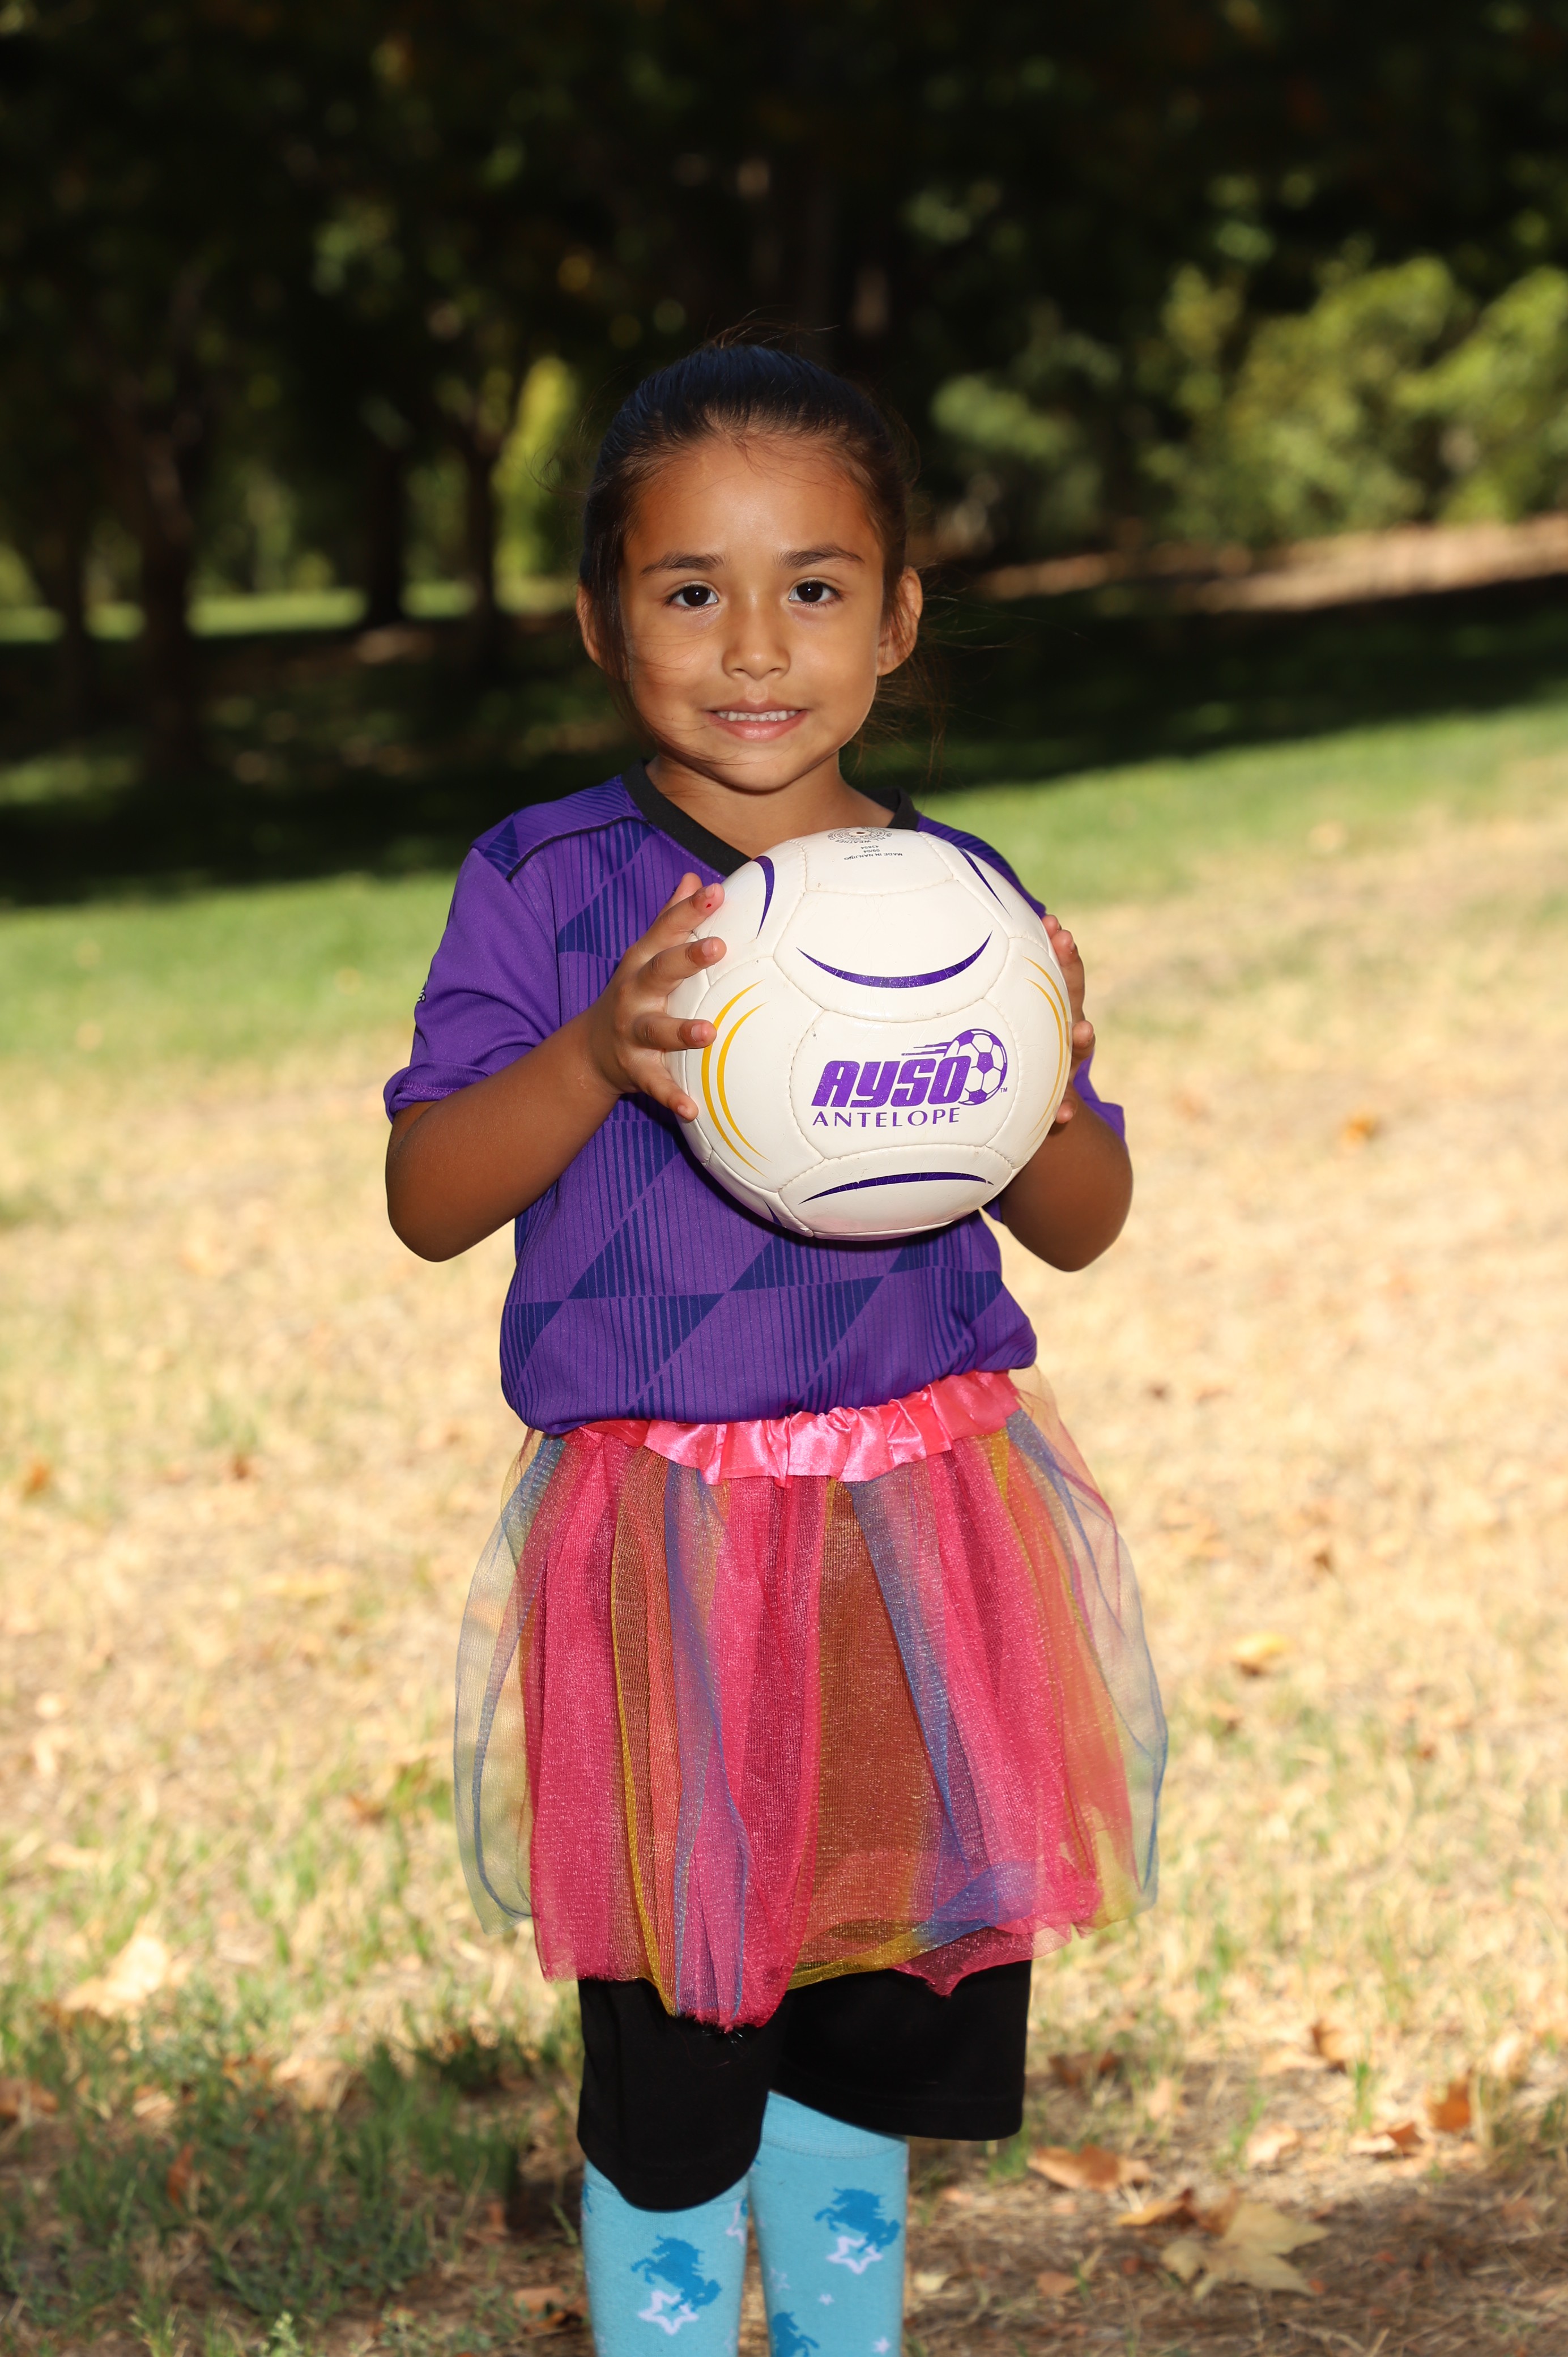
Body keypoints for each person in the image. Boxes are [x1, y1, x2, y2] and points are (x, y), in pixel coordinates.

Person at [384, 342, 1166, 2357]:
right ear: (600, 617)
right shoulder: (548, 884)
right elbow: (430, 1194)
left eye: (814, 587)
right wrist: (592, 1054)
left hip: (912, 1539)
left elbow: (1084, 1217)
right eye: (690, 589)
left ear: (897, 620)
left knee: (867, 2016)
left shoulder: (955, 903)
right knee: (677, 2042)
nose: (755, 644)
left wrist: (1043, 1076)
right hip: (666, 1550)